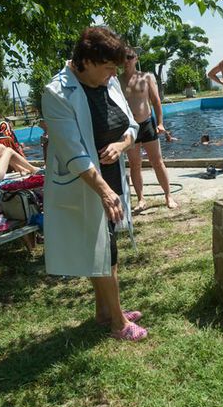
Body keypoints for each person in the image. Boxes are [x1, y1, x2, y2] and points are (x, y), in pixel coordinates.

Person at [40, 26, 148, 342]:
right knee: (101, 248)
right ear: (86, 60)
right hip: (84, 182)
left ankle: (104, 311)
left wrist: (122, 145)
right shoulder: (57, 93)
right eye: (107, 68)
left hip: (110, 175)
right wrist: (103, 189)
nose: (113, 74)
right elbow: (73, 152)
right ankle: (117, 323)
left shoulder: (109, 80)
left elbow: (131, 123)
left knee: (104, 244)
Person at [121, 46, 178, 211]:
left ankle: (168, 195)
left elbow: (156, 101)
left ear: (136, 59)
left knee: (157, 162)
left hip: (146, 124)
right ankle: (141, 199)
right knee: (134, 163)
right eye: (123, 57)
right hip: (129, 127)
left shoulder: (145, 77)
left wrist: (160, 123)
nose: (126, 60)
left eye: (129, 57)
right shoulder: (117, 80)